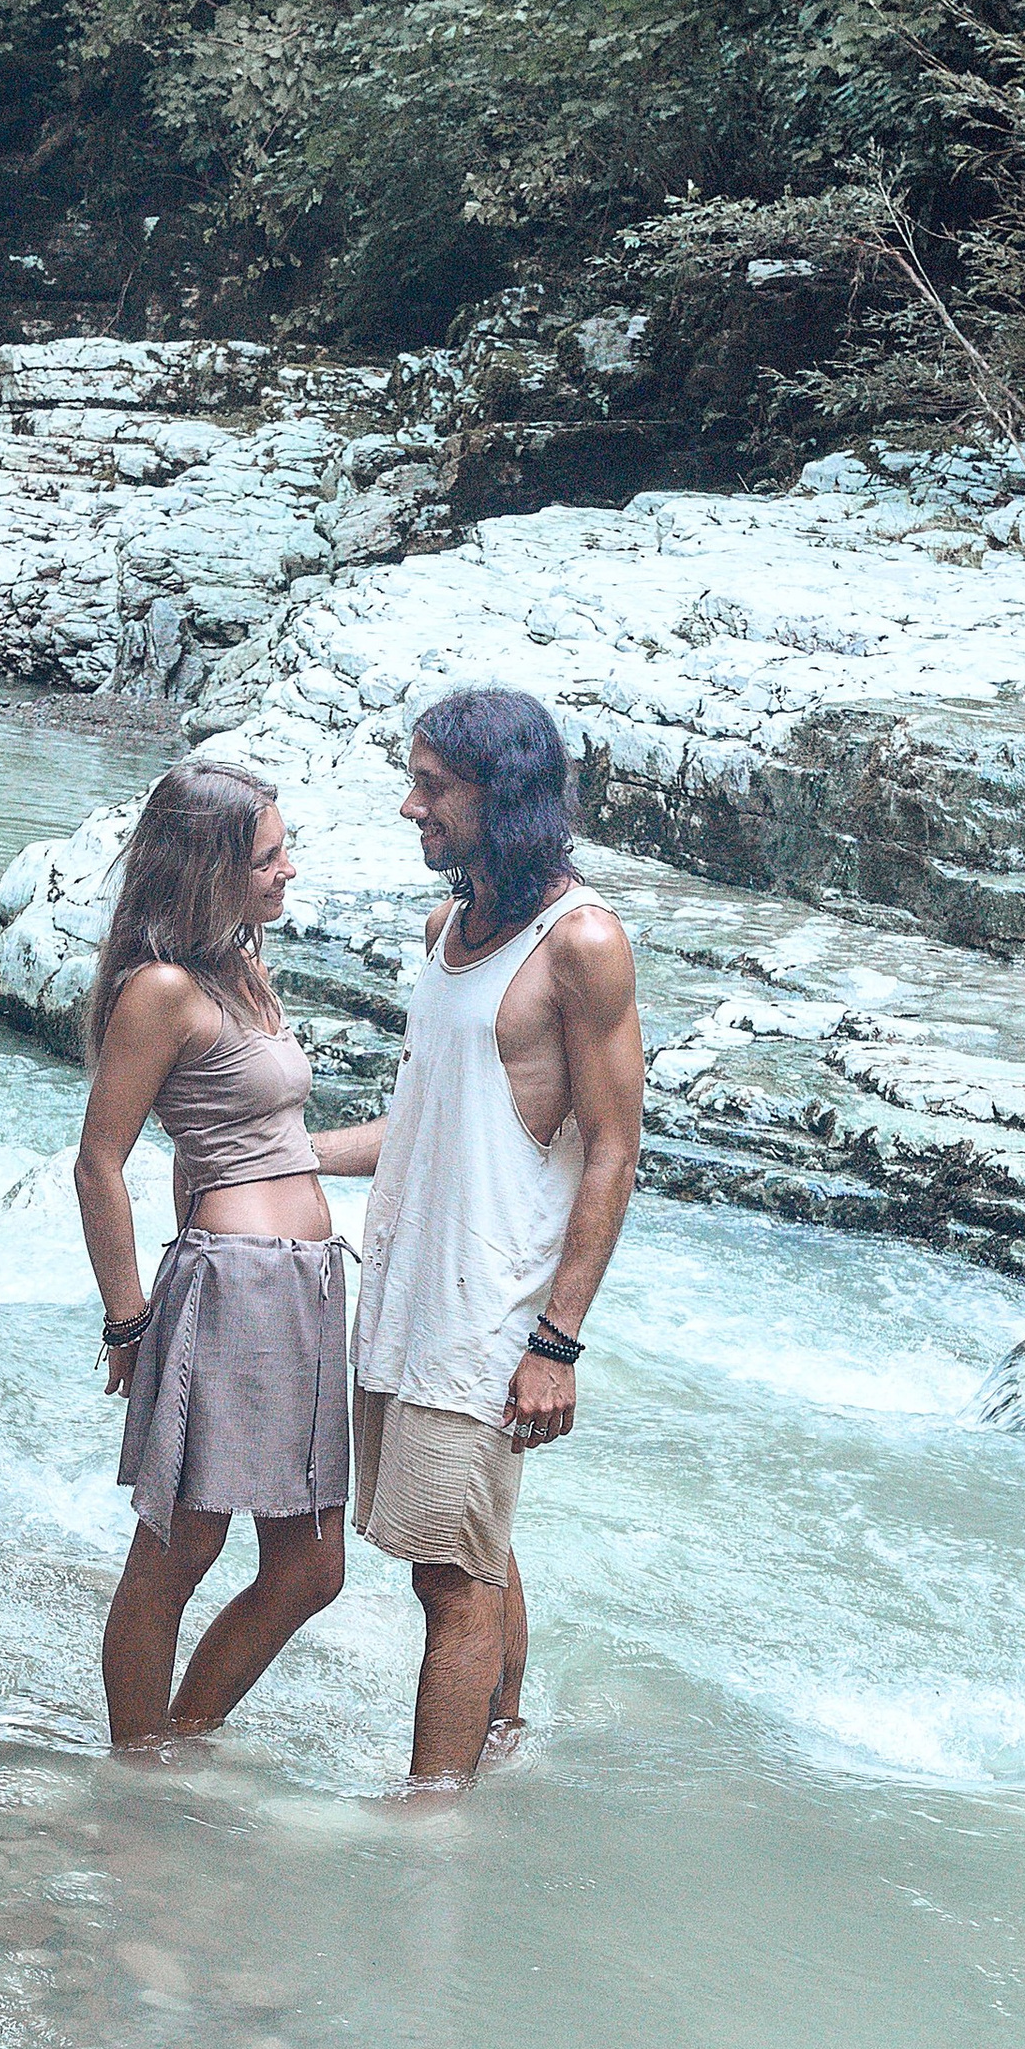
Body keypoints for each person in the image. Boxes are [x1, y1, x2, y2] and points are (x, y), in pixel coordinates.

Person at [310, 688, 644, 1787]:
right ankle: (500, 1749)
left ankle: (430, 1823)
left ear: (501, 798)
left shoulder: (582, 943)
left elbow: (612, 1150)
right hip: (410, 1295)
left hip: (489, 1320)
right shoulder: (444, 928)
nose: (411, 807)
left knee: (446, 1580)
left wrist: (556, 1344)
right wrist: (282, 1149)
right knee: (476, 1549)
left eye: (432, 788)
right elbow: (423, 1125)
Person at [75, 761, 349, 1748]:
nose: (287, 871)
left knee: (311, 1570)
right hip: (232, 1292)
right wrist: (129, 1319)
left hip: (307, 1290)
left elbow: (260, 1146)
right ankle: (138, 1767)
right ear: (210, 867)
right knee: (180, 1548)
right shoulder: (160, 990)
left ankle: (181, 1738)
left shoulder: (243, 971)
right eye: (269, 856)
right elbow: (98, 1163)